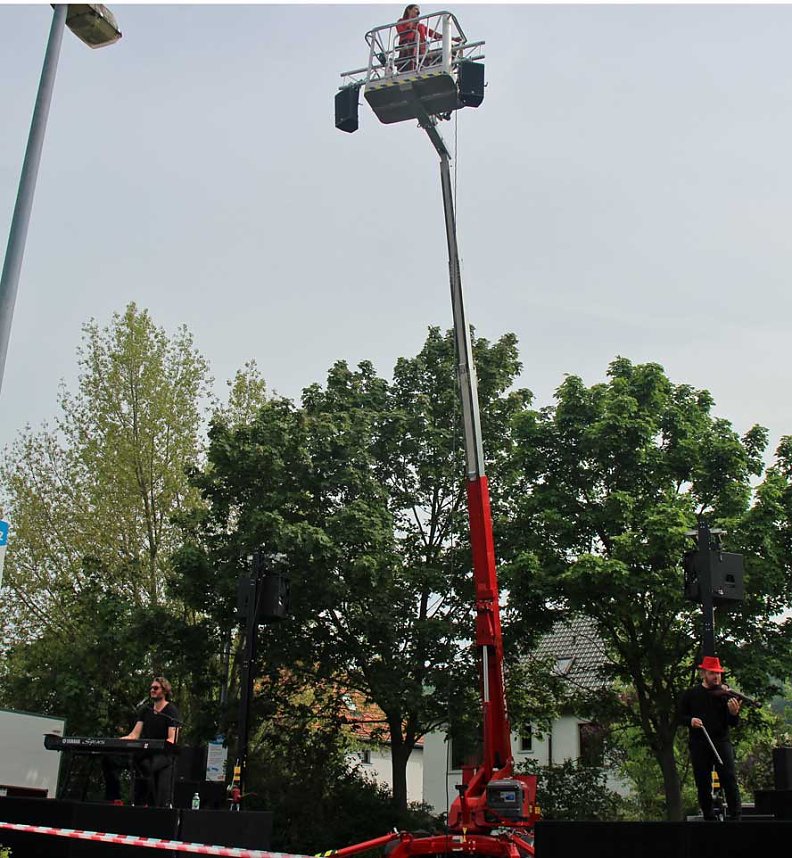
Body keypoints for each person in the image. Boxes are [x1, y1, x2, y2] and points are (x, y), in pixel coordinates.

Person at [677, 656, 742, 820]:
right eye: (712, 673)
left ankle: (736, 817)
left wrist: (734, 713)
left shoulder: (725, 694)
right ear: (703, 674)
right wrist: (691, 721)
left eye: (718, 674)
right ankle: (708, 816)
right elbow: (679, 716)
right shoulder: (691, 694)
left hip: (721, 741)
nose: (716, 677)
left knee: (729, 778)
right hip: (700, 742)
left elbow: (732, 723)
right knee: (702, 782)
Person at [103, 676, 181, 807]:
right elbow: (135, 734)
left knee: (145, 766)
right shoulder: (146, 709)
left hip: (163, 755)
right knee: (109, 759)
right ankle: (114, 798)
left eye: (156, 688)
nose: (152, 690)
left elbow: (172, 739)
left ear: (165, 690)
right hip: (144, 752)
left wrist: (156, 746)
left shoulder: (171, 711)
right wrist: (119, 742)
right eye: (151, 688)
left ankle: (146, 804)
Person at [396, 5, 442, 72]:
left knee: (425, 63)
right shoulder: (401, 21)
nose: (418, 12)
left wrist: (452, 38)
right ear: (409, 10)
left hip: (421, 48)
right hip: (408, 47)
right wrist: (412, 21)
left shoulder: (420, 26)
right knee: (409, 65)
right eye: (416, 9)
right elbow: (401, 31)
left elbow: (433, 33)